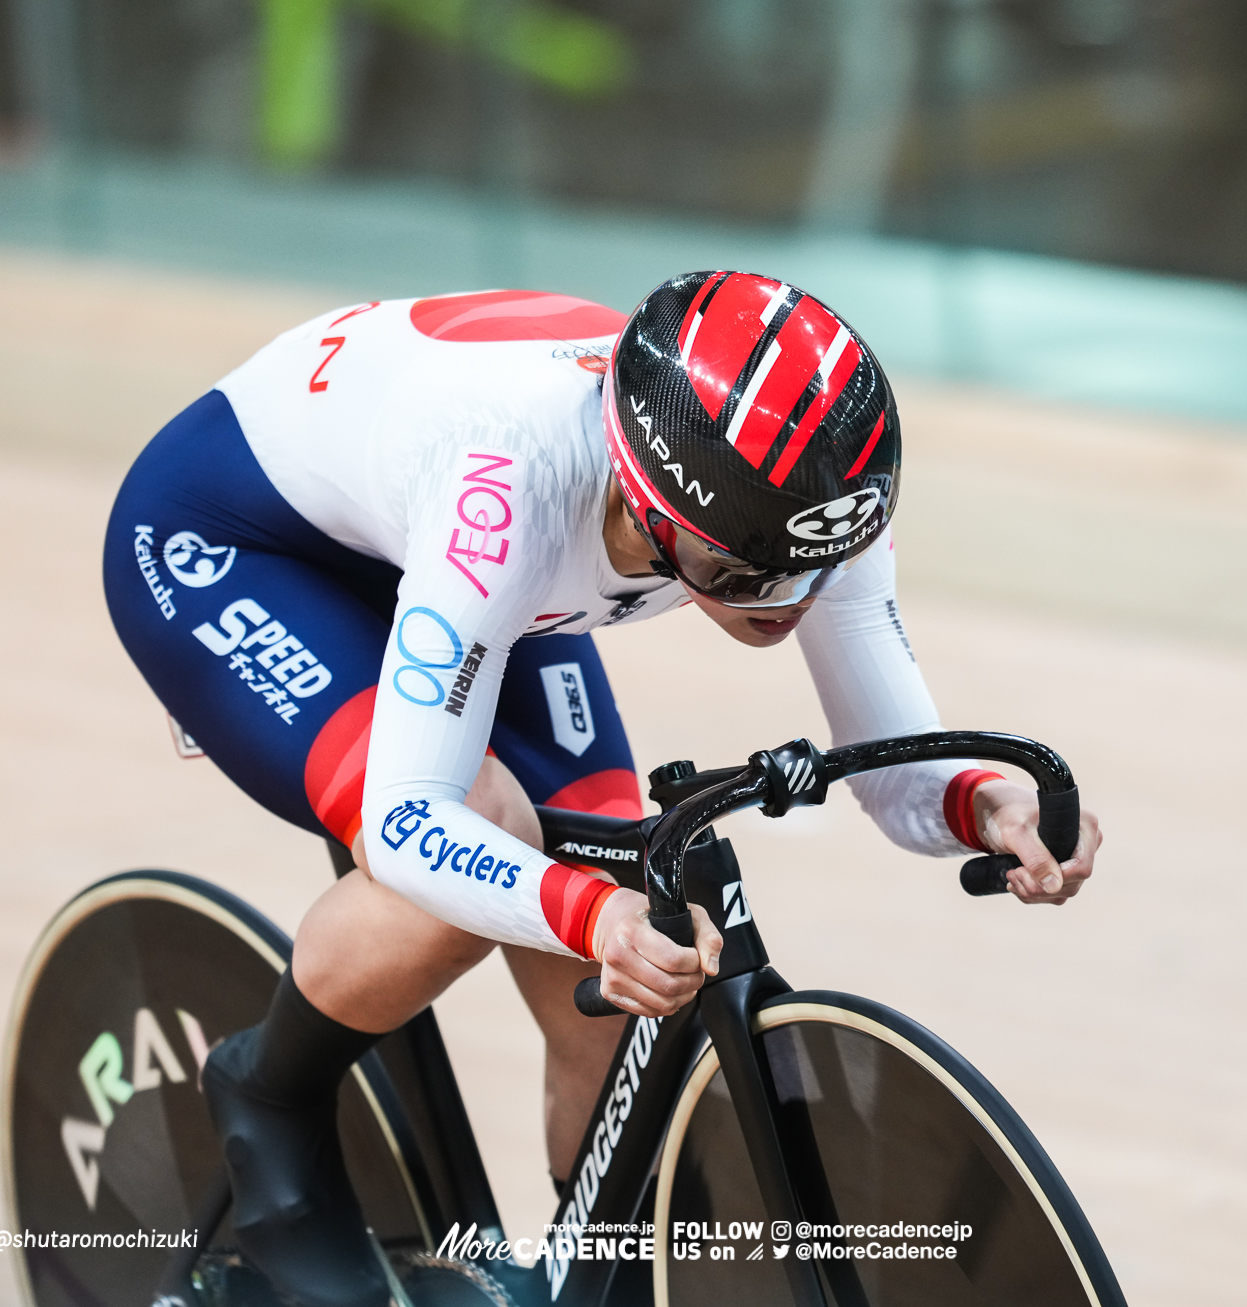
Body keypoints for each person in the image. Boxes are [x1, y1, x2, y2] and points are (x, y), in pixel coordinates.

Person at [101, 271, 1102, 1305]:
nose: (789, 603)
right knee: (488, 829)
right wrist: (586, 912)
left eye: (816, 569)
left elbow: (897, 768)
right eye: (744, 573)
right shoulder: (511, 484)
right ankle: (269, 1092)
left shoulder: (811, 497)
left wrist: (987, 805)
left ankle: (597, 1277)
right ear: (645, 498)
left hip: (460, 557)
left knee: (632, 946)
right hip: (241, 543)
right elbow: (407, 822)